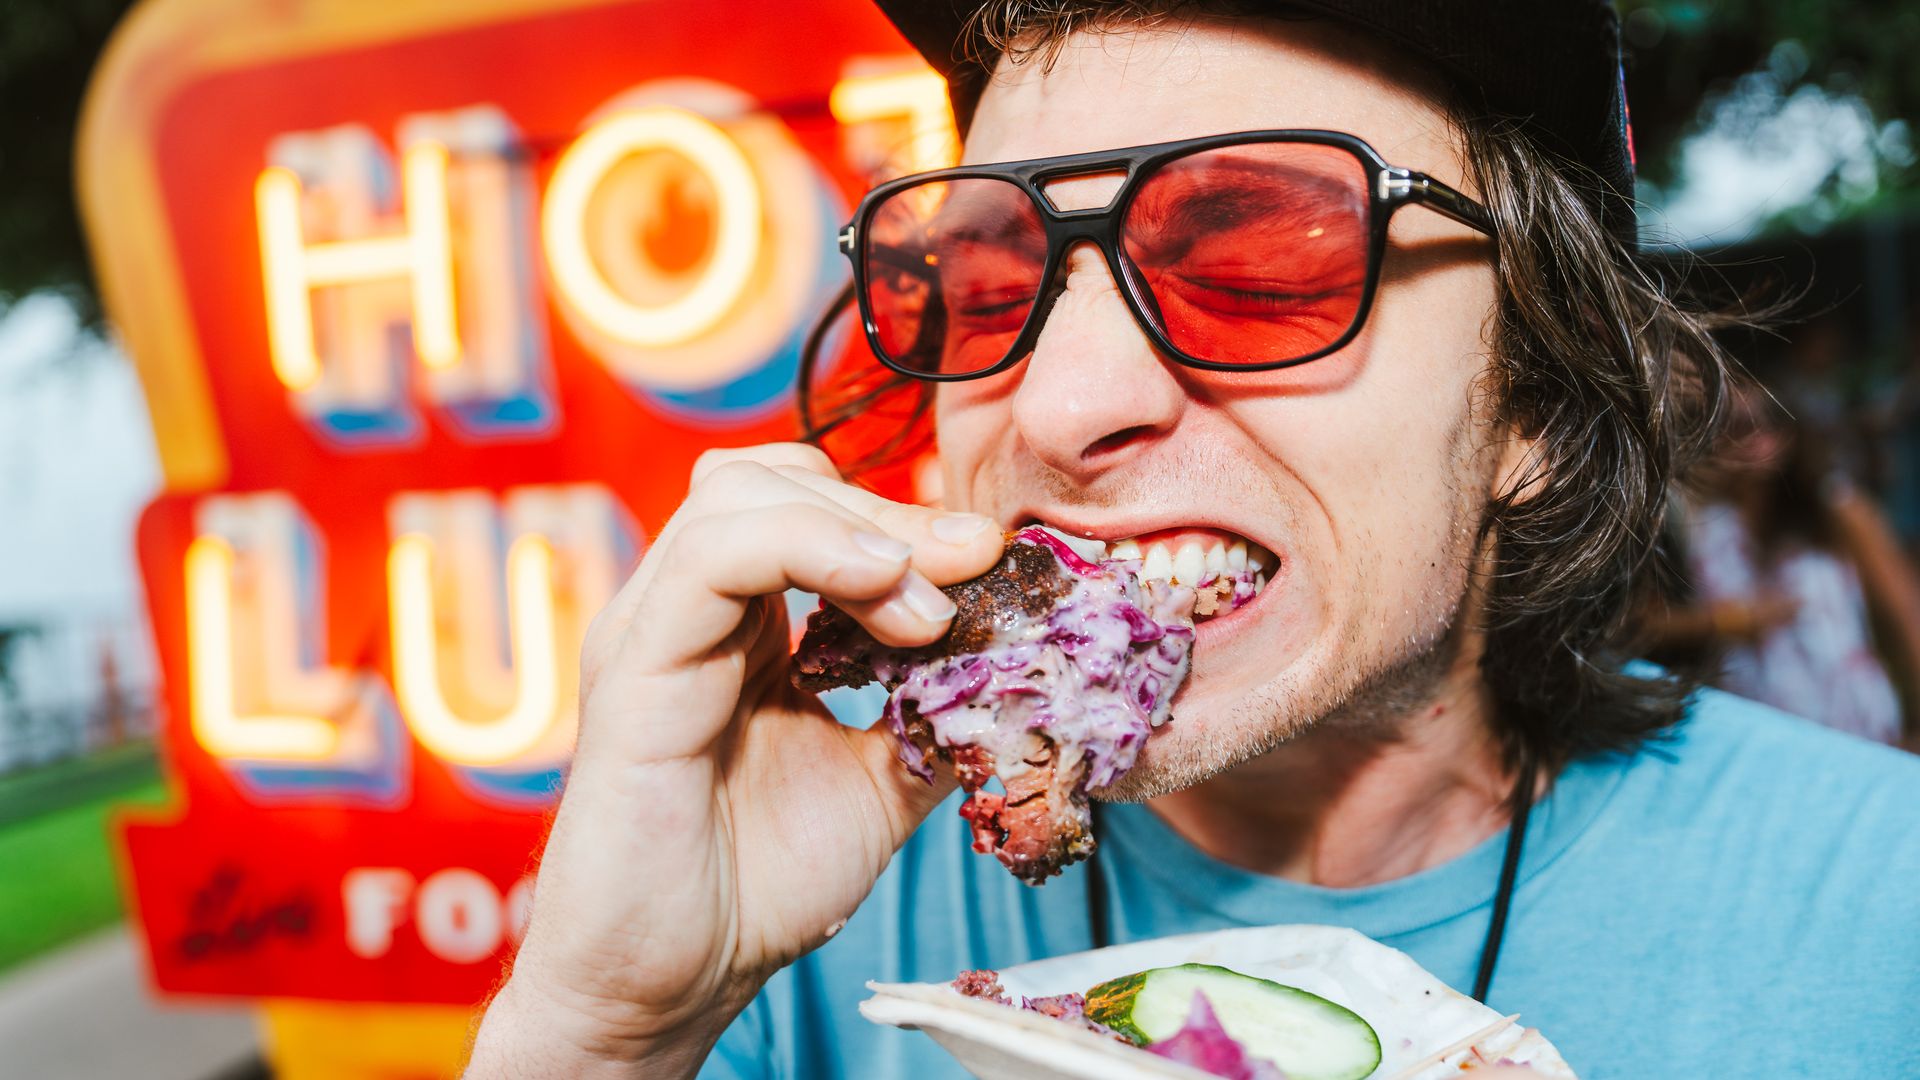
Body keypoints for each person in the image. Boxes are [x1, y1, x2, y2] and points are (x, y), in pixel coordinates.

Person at [465, 3, 1920, 1078]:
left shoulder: (1878, 920)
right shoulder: (783, 910)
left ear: (1534, 397)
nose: (1061, 401)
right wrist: (599, 1032)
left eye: (1260, 256)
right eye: (985, 278)